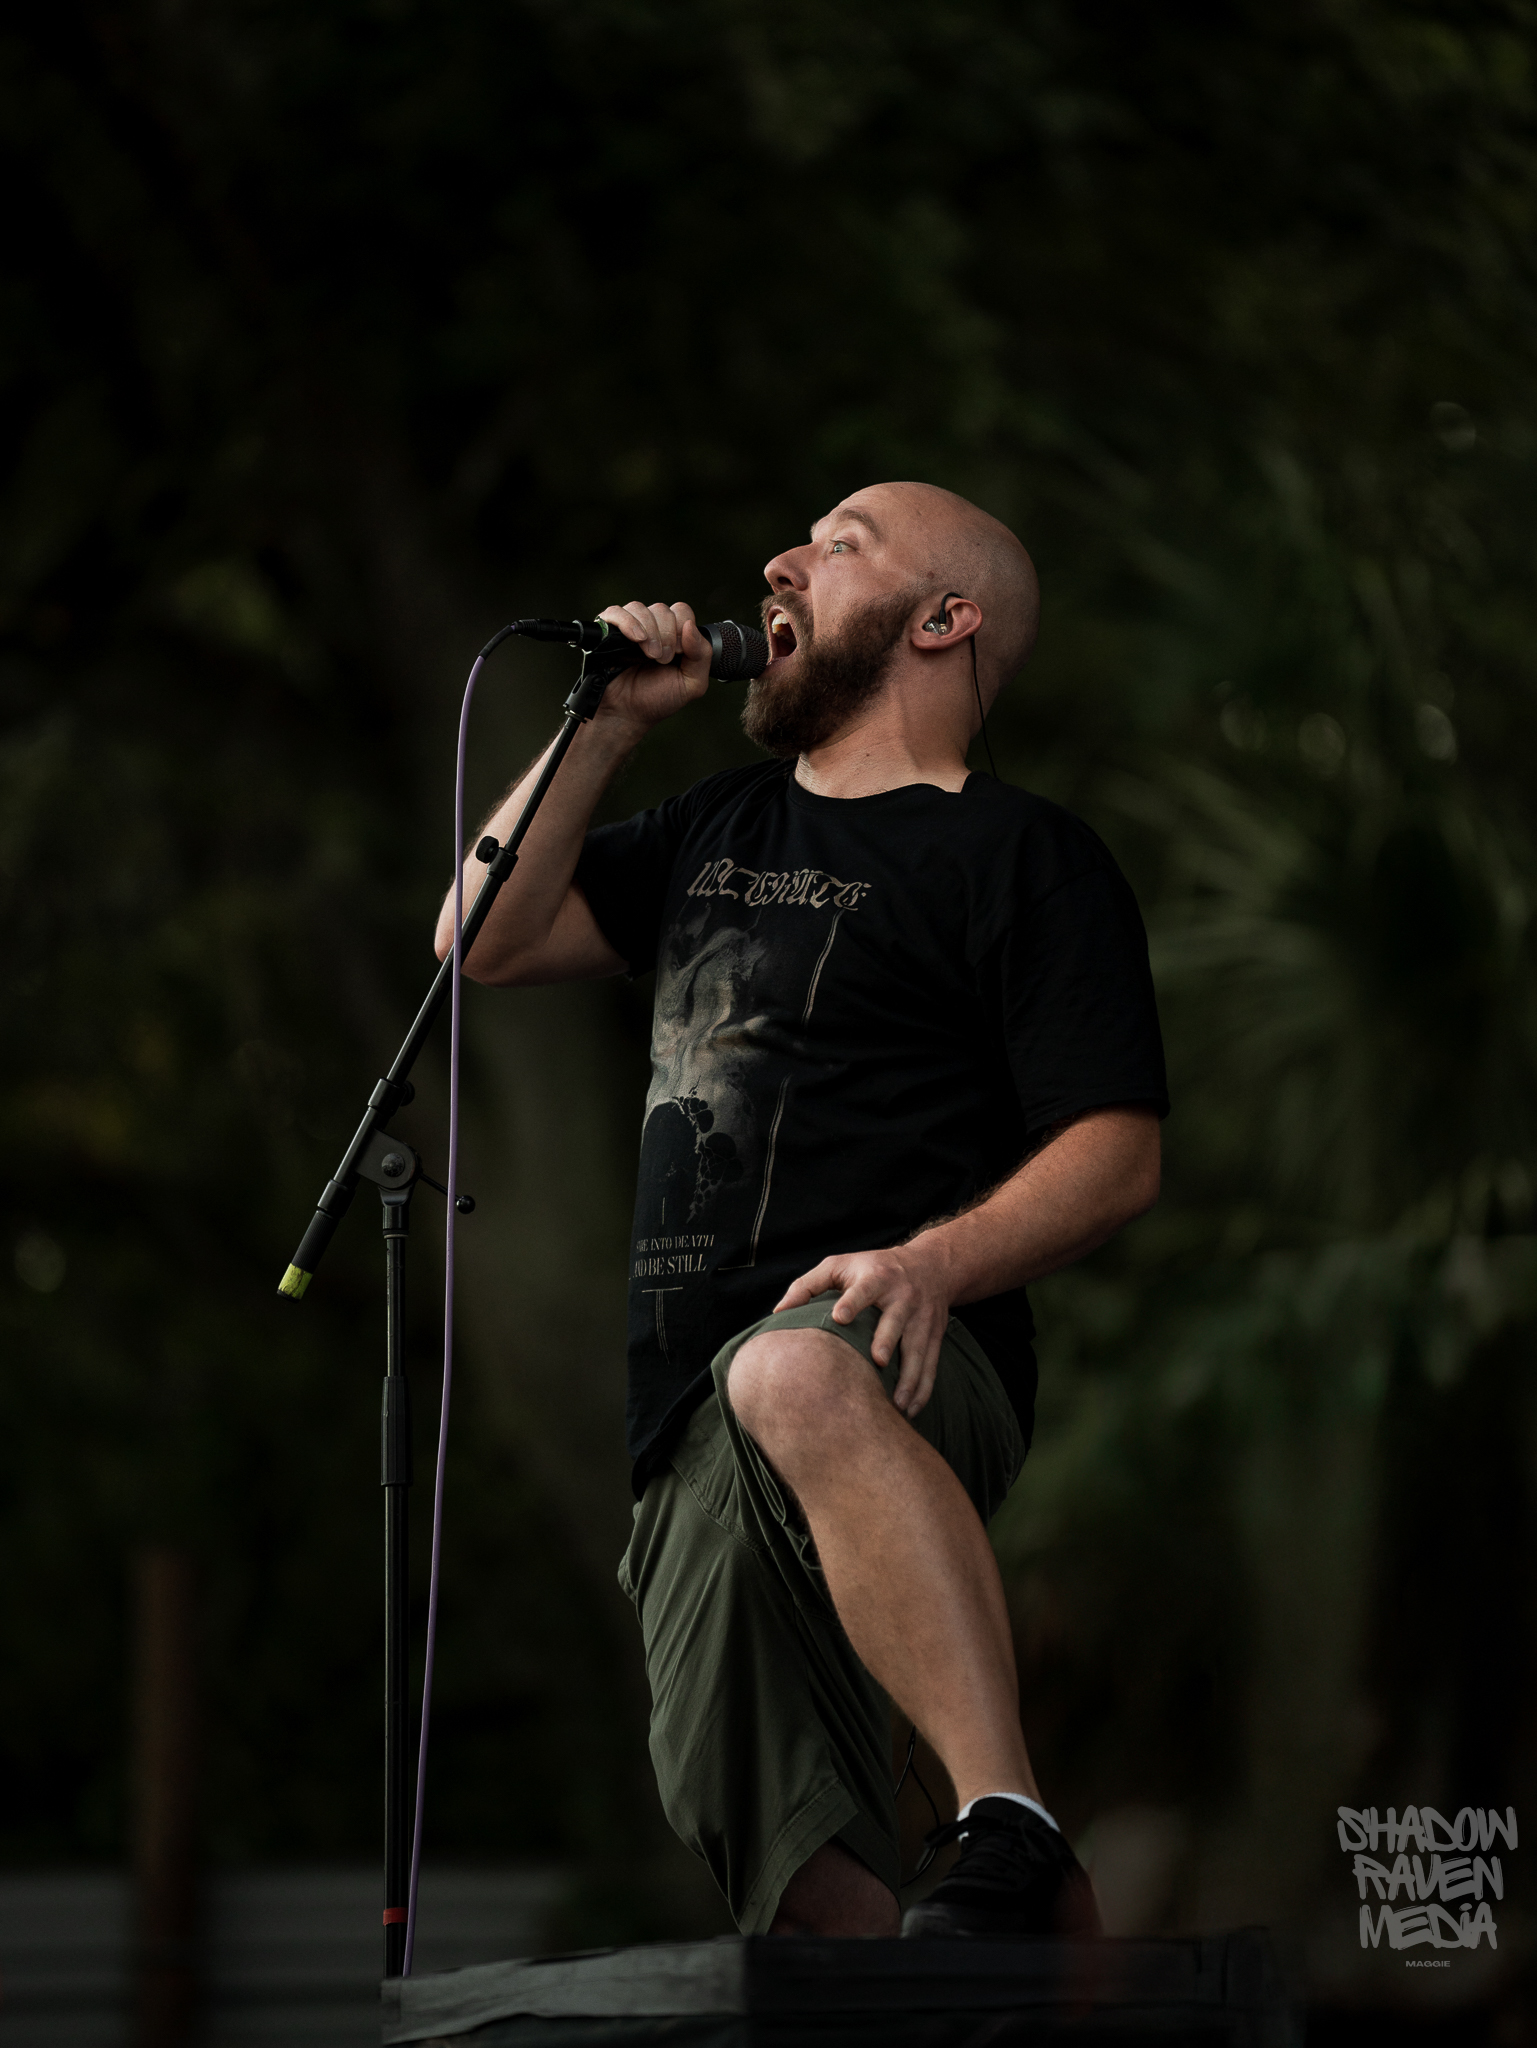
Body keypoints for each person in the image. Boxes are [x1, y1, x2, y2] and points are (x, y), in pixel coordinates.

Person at [435, 481, 1167, 1940]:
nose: (778, 556)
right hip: (678, 1404)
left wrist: (928, 1264)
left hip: (886, 1352)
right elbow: (483, 935)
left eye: (841, 545)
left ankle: (1007, 1820)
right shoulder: (717, 820)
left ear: (941, 620)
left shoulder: (1022, 855)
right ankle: (1014, 1967)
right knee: (794, 1887)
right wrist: (608, 723)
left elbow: (1114, 1153)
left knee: (790, 1365)